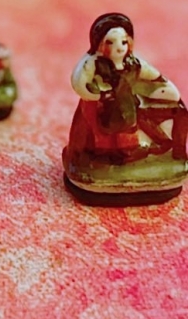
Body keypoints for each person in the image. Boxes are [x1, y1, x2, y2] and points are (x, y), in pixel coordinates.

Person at [63, 12, 188, 205]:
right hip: (99, 109)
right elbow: (79, 83)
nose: (119, 47)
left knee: (128, 133)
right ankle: (99, 161)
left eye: (123, 41)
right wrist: (98, 96)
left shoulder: (133, 63)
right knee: (100, 136)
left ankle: (127, 156)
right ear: (100, 43)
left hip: (126, 108)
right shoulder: (93, 63)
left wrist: (167, 89)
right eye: (111, 42)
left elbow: (153, 75)